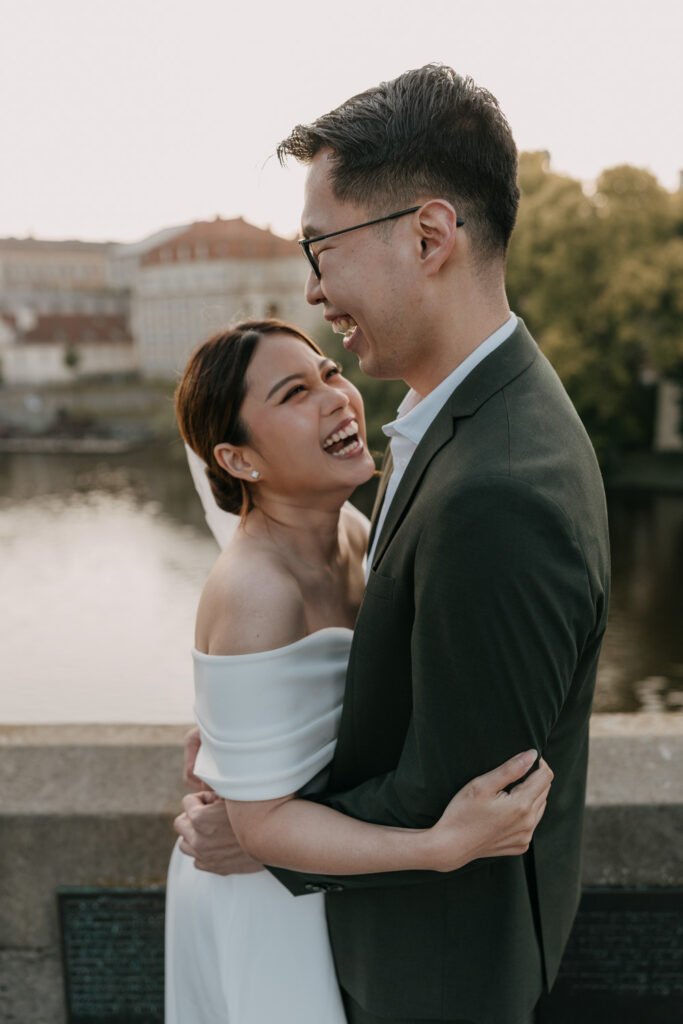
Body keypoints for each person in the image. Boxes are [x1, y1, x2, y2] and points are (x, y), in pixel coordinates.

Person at [177, 65, 610, 1024]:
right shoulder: (453, 415)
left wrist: (261, 829)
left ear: (427, 236)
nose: (313, 286)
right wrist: (251, 753)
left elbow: (456, 795)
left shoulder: (496, 490)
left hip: (435, 975)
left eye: (320, 245)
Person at [165, 319, 553, 1024]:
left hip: (324, 880)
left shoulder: (350, 525)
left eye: (328, 373)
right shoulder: (256, 591)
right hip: (264, 900)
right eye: (294, 393)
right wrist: (440, 846)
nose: (336, 397)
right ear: (238, 460)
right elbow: (262, 828)